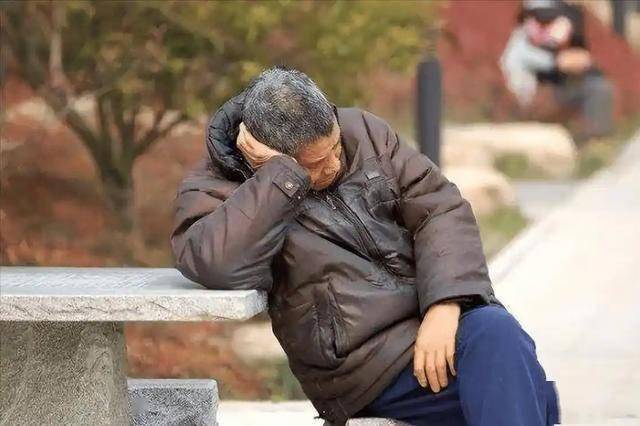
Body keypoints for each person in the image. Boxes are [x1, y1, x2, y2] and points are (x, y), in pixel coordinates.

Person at [170, 67, 559, 426]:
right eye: (314, 164)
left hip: (432, 324)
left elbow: (439, 208)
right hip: (365, 369)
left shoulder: (364, 132)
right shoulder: (216, 187)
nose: (334, 165)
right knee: (524, 391)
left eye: (336, 148)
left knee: (497, 332)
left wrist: (444, 304)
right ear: (266, 156)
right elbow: (216, 264)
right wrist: (281, 178)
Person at [501, 0, 613, 142]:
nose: (546, 25)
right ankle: (592, 139)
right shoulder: (521, 44)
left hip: (540, 100)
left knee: (595, 84)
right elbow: (564, 62)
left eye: (549, 20)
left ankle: (591, 138)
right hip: (526, 105)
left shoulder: (545, 42)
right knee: (597, 89)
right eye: (541, 20)